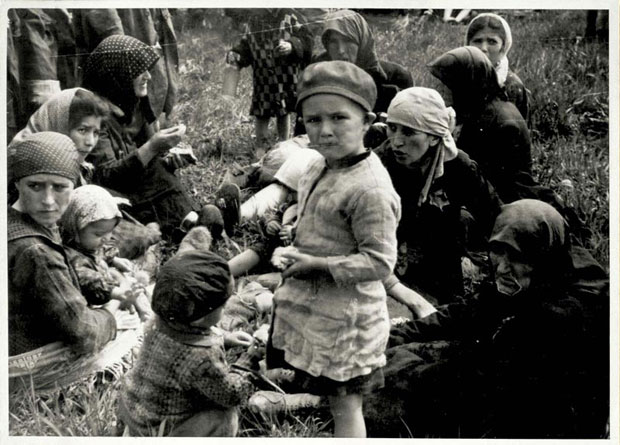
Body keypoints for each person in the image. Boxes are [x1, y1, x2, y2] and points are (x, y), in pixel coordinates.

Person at [366, 199, 609, 438]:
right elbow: (468, 313)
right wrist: (391, 337)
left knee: (388, 386)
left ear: (541, 256)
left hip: (538, 415)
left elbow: (474, 375)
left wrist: (398, 368)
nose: (502, 268)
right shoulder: (536, 278)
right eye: (497, 251)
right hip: (501, 371)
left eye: (515, 256)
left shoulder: (564, 315)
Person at [267, 61, 401, 438]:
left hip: (349, 319)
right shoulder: (318, 166)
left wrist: (316, 263)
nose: (324, 130)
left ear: (367, 121)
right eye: (313, 121)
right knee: (328, 387)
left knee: (346, 403)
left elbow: (379, 261)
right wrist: (295, 234)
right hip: (321, 308)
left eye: (339, 118)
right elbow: (317, 216)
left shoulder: (370, 188)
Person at [373, 87, 502, 304]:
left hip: (440, 262)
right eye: (392, 129)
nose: (396, 141)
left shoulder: (457, 165)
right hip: (389, 264)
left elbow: (494, 215)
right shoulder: (379, 165)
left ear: (434, 138)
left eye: (408, 132)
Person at [117, 250, 259, 437]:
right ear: (199, 319)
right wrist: (248, 360)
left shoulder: (159, 320)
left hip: (135, 412)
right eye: (222, 307)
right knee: (225, 416)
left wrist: (224, 338)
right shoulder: (202, 358)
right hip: (160, 429)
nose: (224, 309)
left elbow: (187, 337)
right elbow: (232, 394)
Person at [9, 87, 162, 259]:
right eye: (82, 130)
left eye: (95, 133)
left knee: (138, 233)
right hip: (43, 243)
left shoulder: (73, 162)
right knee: (137, 238)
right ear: (59, 123)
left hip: (73, 231)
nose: (90, 142)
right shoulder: (28, 163)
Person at [8, 132, 121, 357]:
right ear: (18, 184)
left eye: (60, 187)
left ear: (74, 186)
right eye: (35, 186)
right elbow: (84, 334)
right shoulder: (36, 251)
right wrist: (111, 312)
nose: (48, 200)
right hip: (24, 359)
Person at [82, 35, 198, 238]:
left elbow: (148, 159)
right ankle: (185, 223)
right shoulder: (93, 114)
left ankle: (188, 220)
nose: (148, 76)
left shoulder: (135, 103)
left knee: (159, 169)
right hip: (114, 193)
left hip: (137, 185)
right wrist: (152, 147)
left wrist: (169, 157)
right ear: (118, 75)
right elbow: (104, 177)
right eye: (138, 71)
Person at [428, 46, 533, 204]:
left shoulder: (498, 123)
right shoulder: (480, 107)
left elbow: (487, 187)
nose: (442, 91)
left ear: (466, 83)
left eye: (447, 84)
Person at [226, 8, 313, 156]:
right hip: (263, 75)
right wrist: (238, 54)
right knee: (261, 110)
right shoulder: (254, 18)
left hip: (284, 75)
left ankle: (284, 144)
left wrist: (292, 45)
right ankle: (261, 144)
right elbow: (246, 45)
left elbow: (307, 39)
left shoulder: (291, 16)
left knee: (283, 109)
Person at [60, 185, 153, 320]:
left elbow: (102, 250)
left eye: (110, 231)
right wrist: (118, 293)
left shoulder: (89, 244)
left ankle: (140, 307)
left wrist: (115, 259)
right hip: (96, 297)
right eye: (99, 234)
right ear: (75, 229)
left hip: (107, 282)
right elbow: (89, 281)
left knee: (127, 280)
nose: (106, 238)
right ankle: (136, 308)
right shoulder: (73, 257)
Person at [72, 8, 179, 123]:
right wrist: (129, 64)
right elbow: (110, 29)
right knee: (119, 122)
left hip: (145, 66)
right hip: (121, 72)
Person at [315, 9, 414, 113]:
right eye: (333, 42)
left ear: (362, 41)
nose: (341, 50)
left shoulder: (396, 77)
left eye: (348, 40)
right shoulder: (318, 76)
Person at [465, 12, 529, 120]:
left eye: (492, 42)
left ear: (503, 47)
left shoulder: (512, 85)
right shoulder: (457, 76)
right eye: (477, 41)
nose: (483, 48)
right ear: (467, 44)